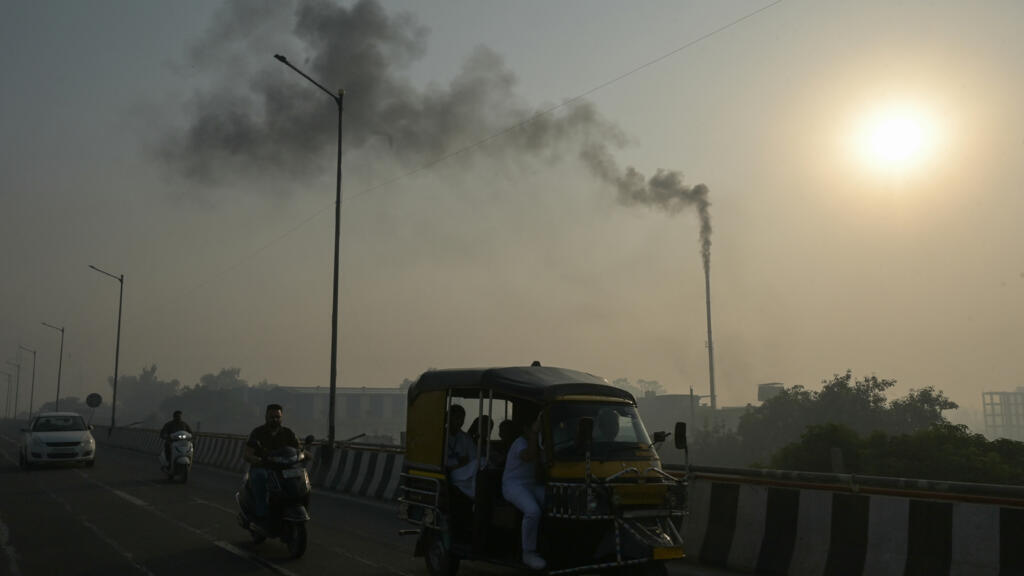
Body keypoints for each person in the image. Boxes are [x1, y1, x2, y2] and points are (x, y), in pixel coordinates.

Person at [502, 412, 546, 570]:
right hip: (513, 485)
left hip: (532, 484)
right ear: (526, 428)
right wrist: (534, 433)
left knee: (554, 503)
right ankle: (528, 553)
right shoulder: (519, 443)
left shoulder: (538, 441)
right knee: (532, 511)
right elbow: (529, 456)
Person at [243, 404, 300, 521]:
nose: (275, 419)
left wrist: (304, 455)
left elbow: (298, 449)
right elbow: (247, 454)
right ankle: (261, 512)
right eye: (272, 417)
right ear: (266, 417)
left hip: (283, 469)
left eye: (277, 417)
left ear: (281, 417)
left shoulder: (288, 433)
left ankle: (295, 507)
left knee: (298, 477)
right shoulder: (257, 432)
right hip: (263, 467)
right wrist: (256, 459)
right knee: (260, 476)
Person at [446, 404, 474, 469]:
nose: (460, 421)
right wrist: (458, 461)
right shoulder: (440, 436)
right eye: (457, 418)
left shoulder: (466, 438)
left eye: (462, 419)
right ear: (448, 418)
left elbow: (473, 458)